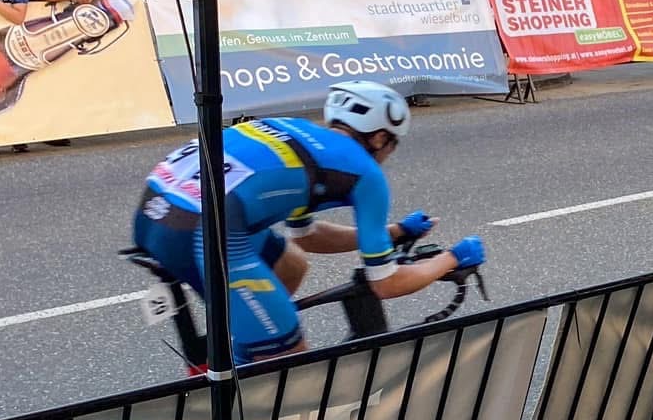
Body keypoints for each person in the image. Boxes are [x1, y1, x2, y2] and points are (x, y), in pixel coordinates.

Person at [131, 81, 485, 365]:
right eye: (393, 144)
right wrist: (452, 258)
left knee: (291, 264)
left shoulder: (299, 135)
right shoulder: (366, 173)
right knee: (294, 374)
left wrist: (397, 232)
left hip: (155, 211)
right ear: (379, 138)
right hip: (203, 236)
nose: (390, 153)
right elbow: (386, 284)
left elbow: (306, 237)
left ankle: (246, 346)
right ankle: (237, 394)